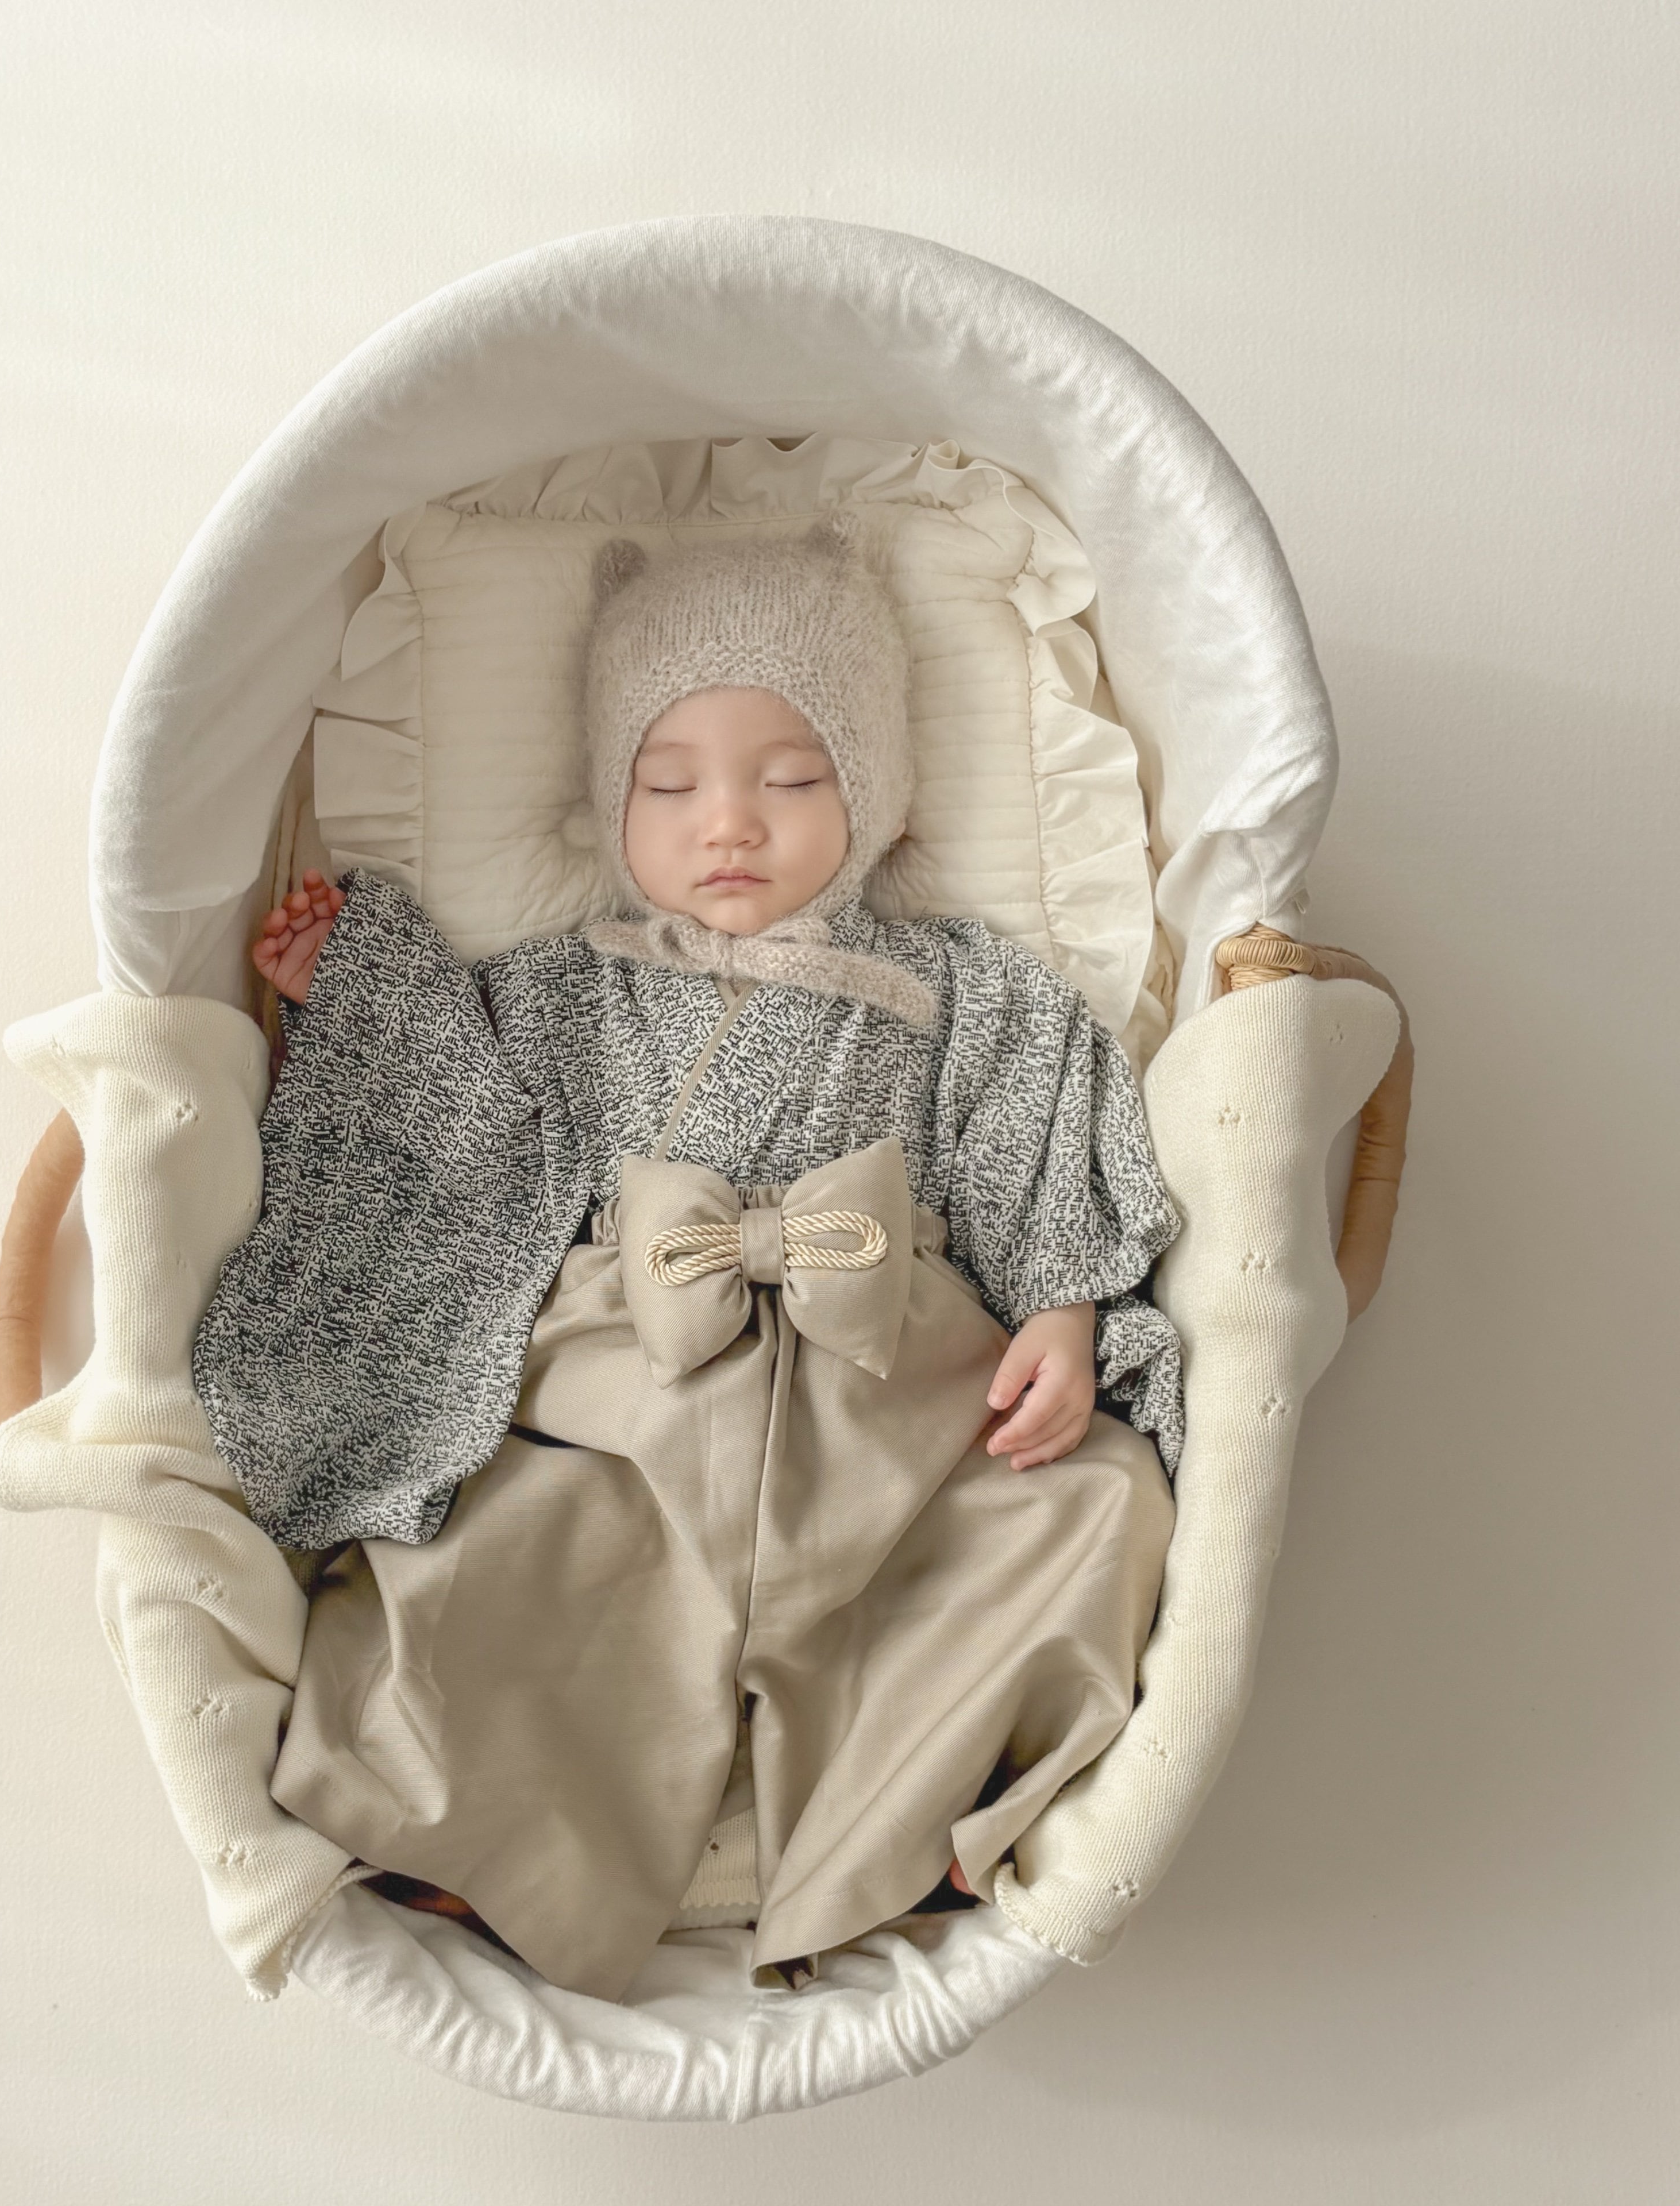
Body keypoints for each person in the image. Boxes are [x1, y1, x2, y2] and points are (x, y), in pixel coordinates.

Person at [192, 520, 1182, 2001]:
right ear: (614, 804)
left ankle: (916, 1825)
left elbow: (1033, 1132)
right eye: (671, 786)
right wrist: (360, 989)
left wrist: (1061, 1311)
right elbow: (467, 1144)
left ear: (877, 793)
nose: (730, 824)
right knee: (484, 1568)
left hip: (895, 1407)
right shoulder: (563, 989)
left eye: (793, 780)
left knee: (1094, 1506)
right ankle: (474, 1830)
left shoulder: (955, 987)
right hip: (627, 1412)